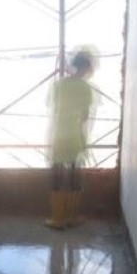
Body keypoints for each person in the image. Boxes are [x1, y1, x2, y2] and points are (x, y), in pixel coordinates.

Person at [45, 50, 95, 229]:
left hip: (58, 136)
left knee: (57, 177)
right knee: (74, 177)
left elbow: (49, 106)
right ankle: (72, 217)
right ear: (87, 69)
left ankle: (58, 219)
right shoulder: (85, 88)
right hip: (75, 137)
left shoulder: (58, 85)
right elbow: (85, 117)